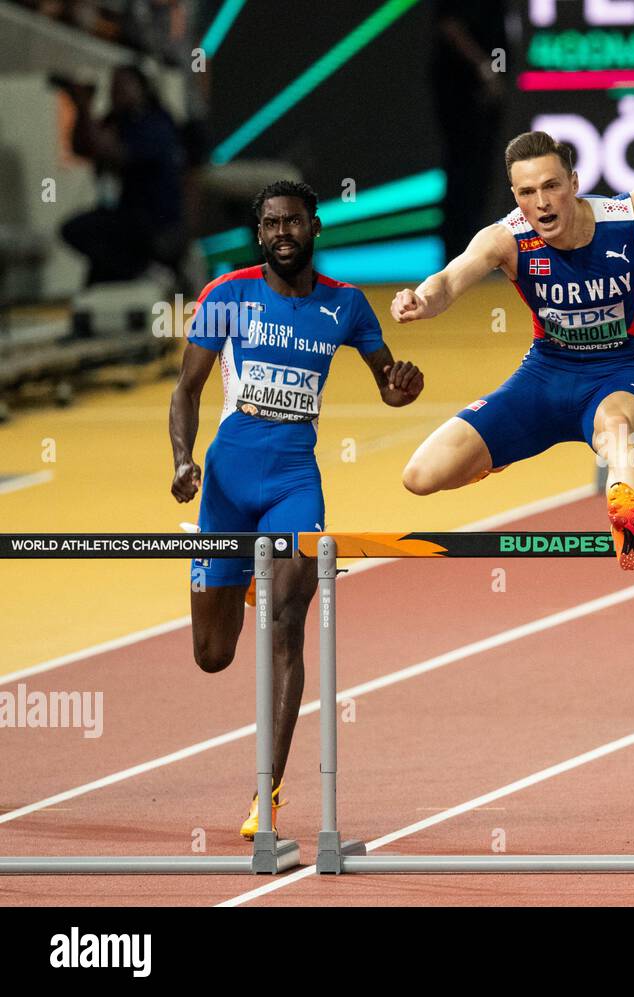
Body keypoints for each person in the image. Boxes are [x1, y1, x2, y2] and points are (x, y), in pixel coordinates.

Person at [169, 180, 424, 838]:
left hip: (293, 482)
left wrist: (402, 389)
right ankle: (244, 584)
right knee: (211, 654)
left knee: (287, 624)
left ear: (314, 227)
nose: (283, 232)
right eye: (271, 223)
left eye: (294, 221)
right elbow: (187, 389)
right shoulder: (227, 296)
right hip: (226, 482)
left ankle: (269, 791)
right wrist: (182, 461)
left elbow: (388, 386)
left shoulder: (346, 307)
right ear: (260, 234)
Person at [392, 130, 634, 569]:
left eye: (551, 186)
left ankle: (628, 525)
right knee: (420, 476)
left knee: (617, 433)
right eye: (528, 192)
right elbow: (450, 280)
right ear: (516, 196)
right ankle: (496, 456)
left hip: (617, 372)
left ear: (574, 183)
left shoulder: (625, 219)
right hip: (543, 377)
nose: (542, 202)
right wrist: (422, 300)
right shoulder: (506, 238)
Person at [60, 65, 186, 285]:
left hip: (155, 220)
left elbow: (110, 150)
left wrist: (83, 104)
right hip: (129, 216)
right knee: (98, 270)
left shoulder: (154, 122)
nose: (115, 93)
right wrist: (82, 108)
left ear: (142, 88)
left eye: (122, 86)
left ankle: (147, 270)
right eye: (113, 87)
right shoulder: (121, 120)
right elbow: (82, 146)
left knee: (80, 231)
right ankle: (139, 272)